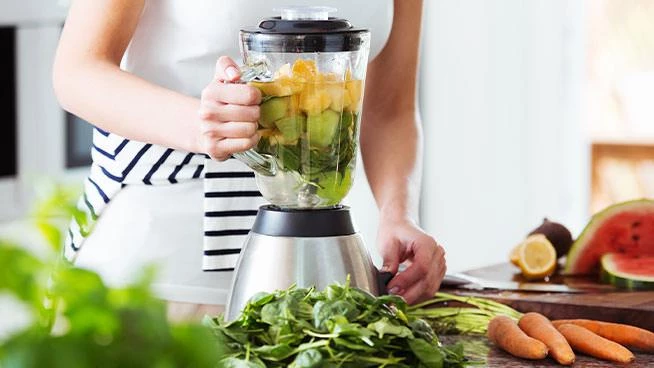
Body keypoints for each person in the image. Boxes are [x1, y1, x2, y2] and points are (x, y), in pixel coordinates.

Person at [53, 0, 445, 320]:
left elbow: (389, 108)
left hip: (316, 281)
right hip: (160, 276)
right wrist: (201, 123)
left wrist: (399, 215)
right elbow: (77, 71)